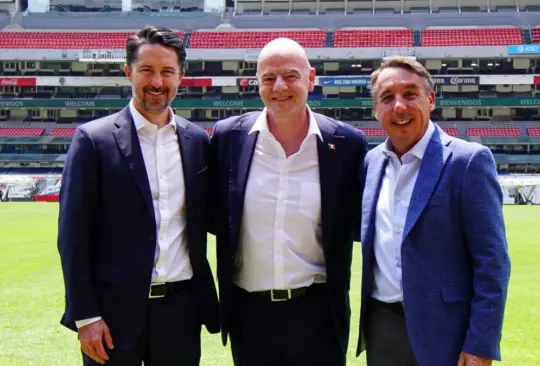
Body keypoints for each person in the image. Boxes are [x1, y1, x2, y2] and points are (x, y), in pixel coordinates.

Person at [57, 25, 219, 366]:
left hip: (180, 311)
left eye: (167, 72)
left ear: (181, 76)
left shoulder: (197, 141)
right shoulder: (93, 141)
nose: (157, 82)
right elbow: (73, 237)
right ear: (128, 71)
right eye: (147, 70)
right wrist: (85, 317)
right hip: (112, 315)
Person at [209, 38, 368, 366]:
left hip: (318, 313)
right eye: (268, 78)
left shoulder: (347, 144)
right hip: (248, 316)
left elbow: (357, 223)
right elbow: (212, 215)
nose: (279, 86)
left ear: (311, 78)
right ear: (257, 84)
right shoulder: (228, 138)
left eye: (290, 75)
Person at [356, 57, 511, 366]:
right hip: (381, 327)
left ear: (430, 99)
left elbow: (492, 263)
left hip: (447, 332)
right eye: (387, 97)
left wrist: (481, 343)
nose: (399, 106)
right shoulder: (370, 163)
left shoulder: (468, 162)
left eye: (410, 94)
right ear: (376, 110)